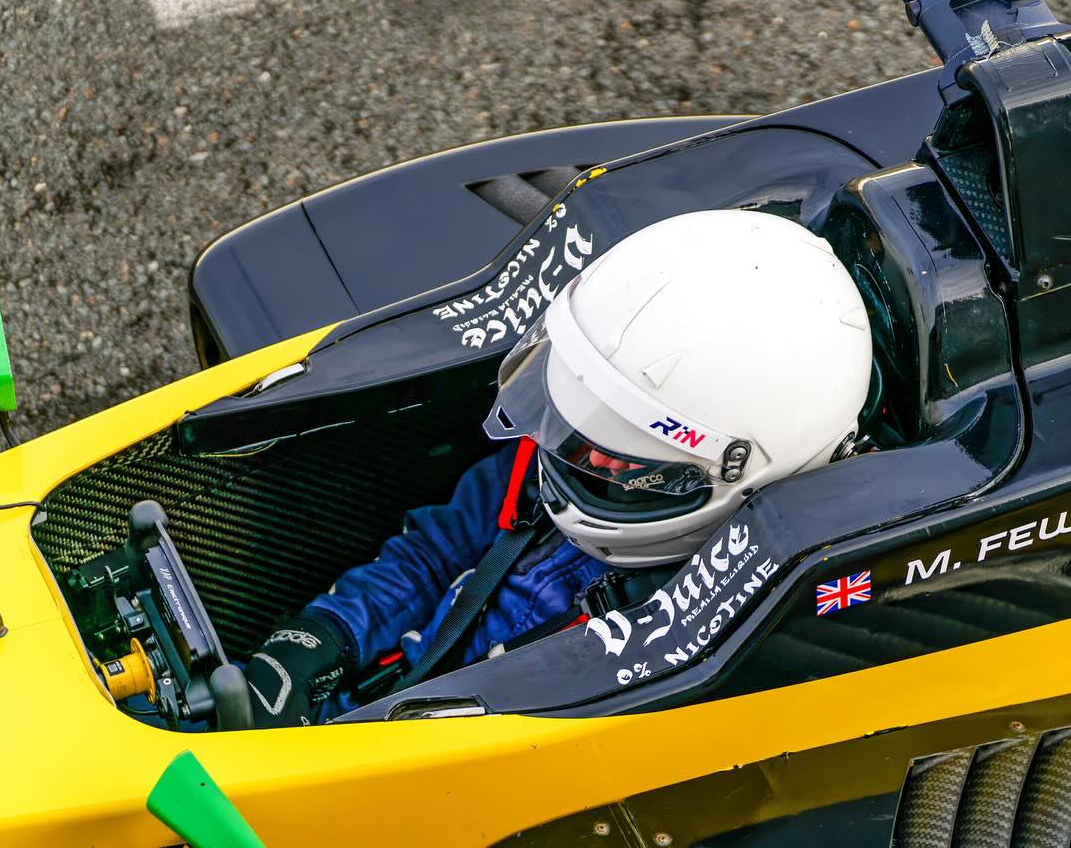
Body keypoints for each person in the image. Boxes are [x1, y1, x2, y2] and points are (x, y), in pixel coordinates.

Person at [244, 209, 875, 726]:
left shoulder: (722, 638)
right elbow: (437, 551)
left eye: (622, 457)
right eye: (585, 411)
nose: (582, 450)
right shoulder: (568, 440)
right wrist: (323, 636)